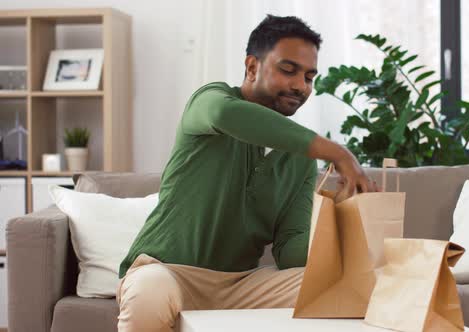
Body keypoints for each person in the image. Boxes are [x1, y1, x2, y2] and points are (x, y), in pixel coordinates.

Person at [116, 14, 377, 332]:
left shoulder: (301, 159)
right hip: (166, 272)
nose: (301, 86)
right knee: (150, 293)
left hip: (240, 285)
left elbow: (290, 252)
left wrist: (335, 221)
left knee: (348, 290)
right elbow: (225, 114)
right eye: (288, 70)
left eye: (309, 77)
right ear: (252, 67)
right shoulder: (211, 101)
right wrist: (336, 151)